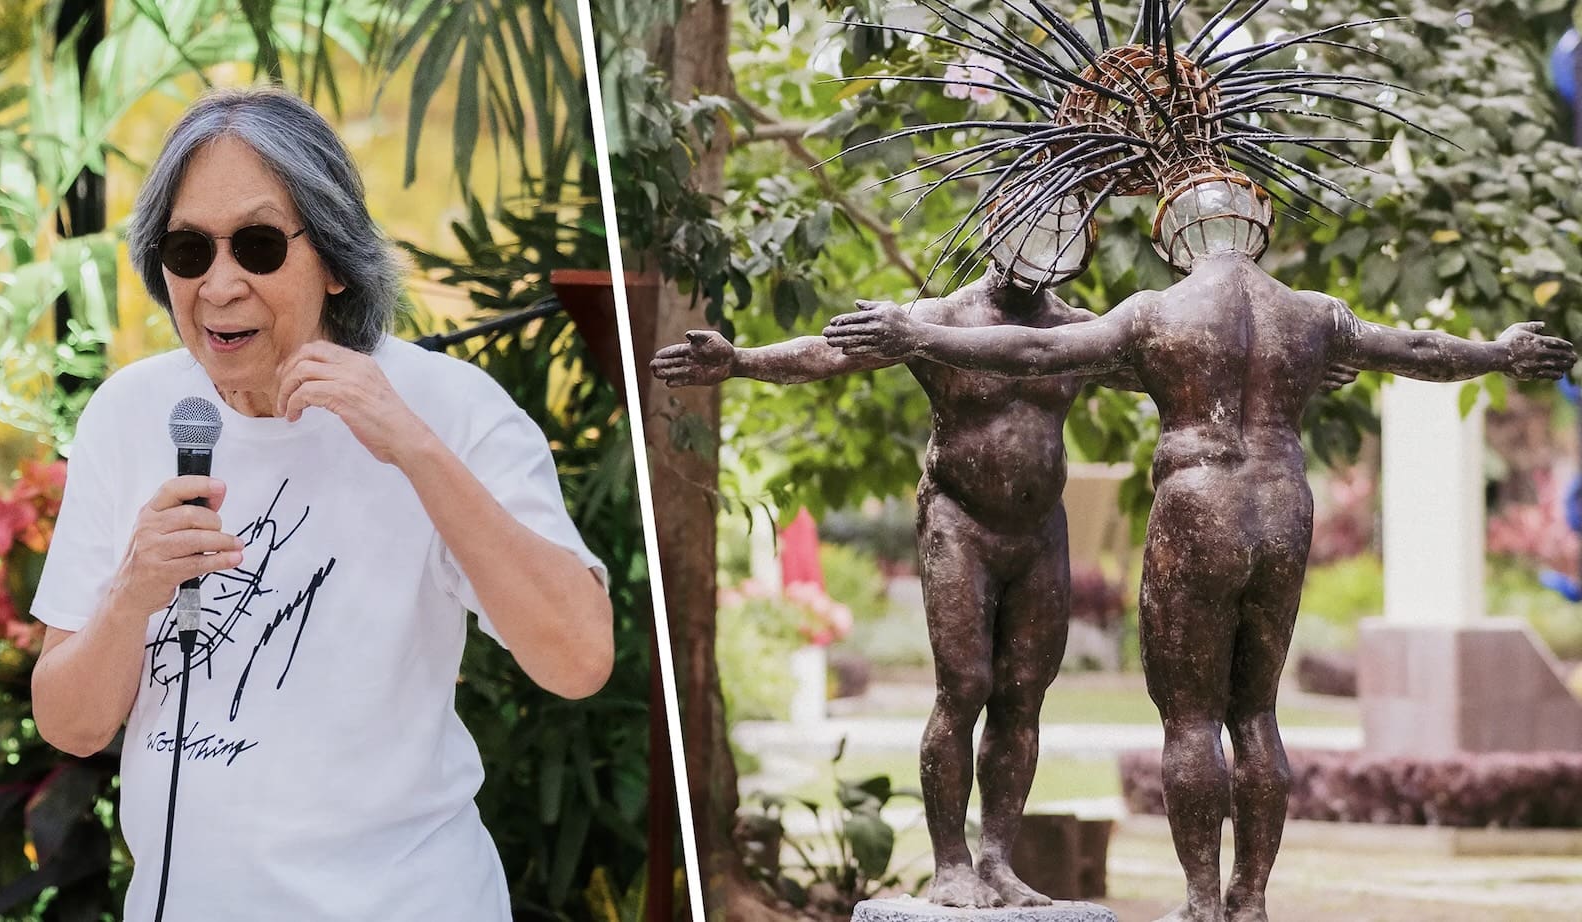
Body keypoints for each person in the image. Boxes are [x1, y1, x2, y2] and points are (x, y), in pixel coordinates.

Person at [825, 246, 1574, 922]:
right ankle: (992, 869)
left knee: (1091, 705)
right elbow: (1412, 346)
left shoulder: (1152, 315)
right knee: (984, 687)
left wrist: (1491, 354)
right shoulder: (1305, 317)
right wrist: (1499, 352)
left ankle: (1188, 900)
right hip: (1227, 512)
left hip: (1153, 515)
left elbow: (1045, 349)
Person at [28, 87, 613, 921]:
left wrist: (412, 448)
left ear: (335, 257)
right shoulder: (130, 414)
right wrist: (131, 594)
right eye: (188, 251)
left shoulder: (452, 409)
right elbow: (70, 726)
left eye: (259, 246)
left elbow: (579, 658)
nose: (219, 285)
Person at [654, 253, 1352, 909]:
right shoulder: (936, 320)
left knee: (1023, 697)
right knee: (963, 687)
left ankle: (996, 859)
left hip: (1038, 530)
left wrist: (1296, 364)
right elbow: (832, 351)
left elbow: (1185, 367)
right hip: (959, 521)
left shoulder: (1080, 328)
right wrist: (740, 360)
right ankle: (951, 860)